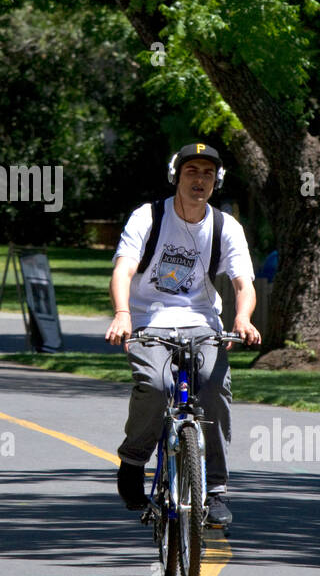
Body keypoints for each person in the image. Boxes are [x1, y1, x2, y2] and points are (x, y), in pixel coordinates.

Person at [105, 143, 261, 528]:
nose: (200, 179)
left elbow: (244, 283)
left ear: (217, 181)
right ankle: (133, 461)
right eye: (192, 170)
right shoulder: (149, 216)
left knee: (212, 385)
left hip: (202, 322)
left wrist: (243, 317)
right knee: (155, 385)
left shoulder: (225, 226)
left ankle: (215, 489)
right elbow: (123, 271)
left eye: (208, 173)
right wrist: (123, 314)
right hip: (147, 319)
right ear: (177, 175)